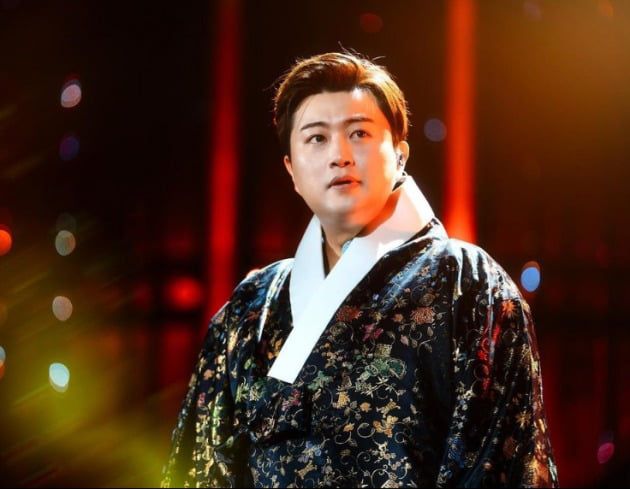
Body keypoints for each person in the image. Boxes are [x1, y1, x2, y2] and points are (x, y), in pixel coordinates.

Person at [161, 51, 558, 488]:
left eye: (359, 133)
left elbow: (503, 461)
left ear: (400, 155)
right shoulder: (252, 307)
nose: (340, 155)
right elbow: (199, 467)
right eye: (316, 138)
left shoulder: (469, 285)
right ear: (291, 170)